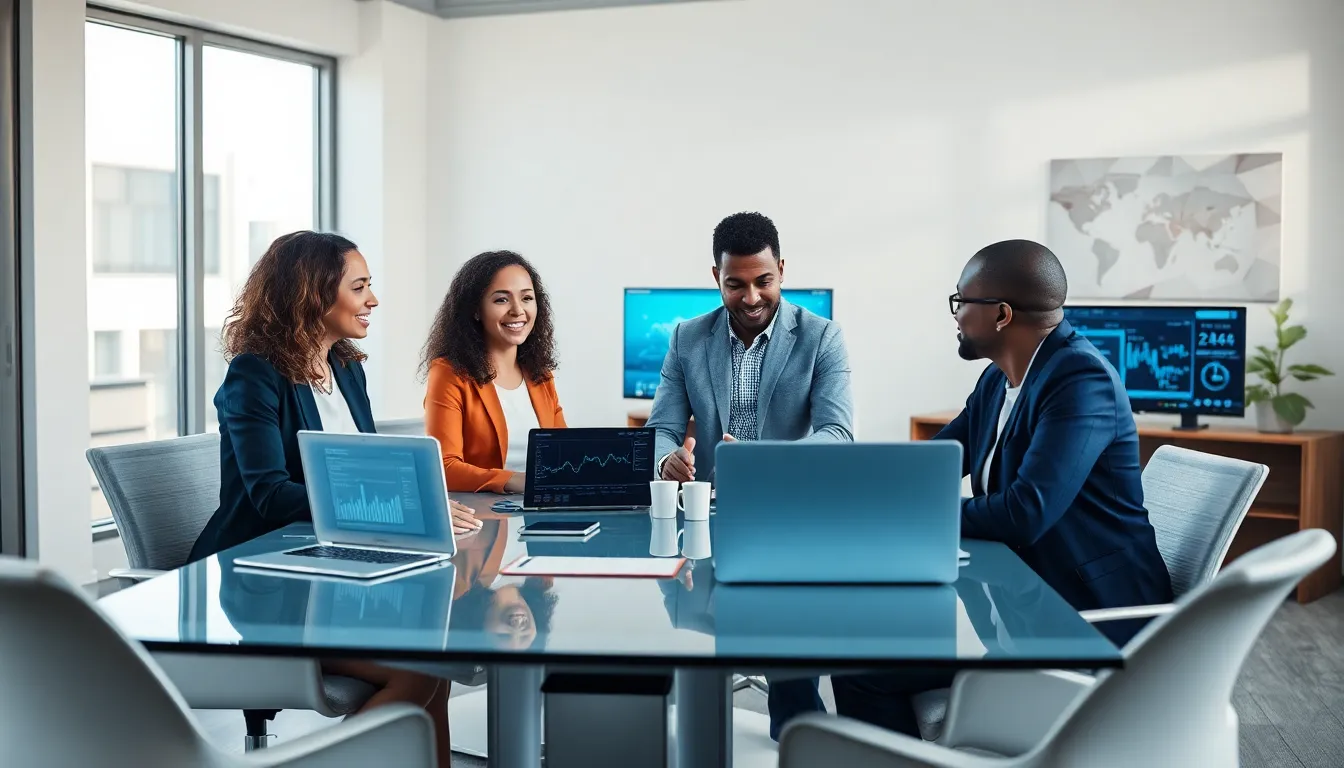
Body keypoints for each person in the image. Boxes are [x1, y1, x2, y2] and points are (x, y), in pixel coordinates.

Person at [830, 238, 1173, 738]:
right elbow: (937, 464)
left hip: (1087, 623)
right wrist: (839, 481)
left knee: (862, 668)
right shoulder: (998, 381)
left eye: (960, 302)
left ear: (1002, 315)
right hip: (1026, 599)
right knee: (864, 643)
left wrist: (913, 516)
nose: (955, 316)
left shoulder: (1080, 379)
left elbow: (1024, 513)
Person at [188, 230, 473, 767]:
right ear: (313, 294)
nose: (373, 300)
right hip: (266, 585)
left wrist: (417, 507)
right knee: (420, 671)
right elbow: (270, 496)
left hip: (331, 574)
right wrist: (396, 507)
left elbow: (357, 472)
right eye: (360, 286)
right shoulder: (255, 374)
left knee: (435, 659)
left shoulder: (347, 367)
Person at [645, 211, 854, 739]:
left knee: (789, 650)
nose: (752, 296)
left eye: (764, 281)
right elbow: (660, 429)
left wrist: (762, 463)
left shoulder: (821, 337)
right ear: (715, 277)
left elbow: (837, 434)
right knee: (679, 631)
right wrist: (667, 459)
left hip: (786, 517)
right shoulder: (687, 338)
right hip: (703, 519)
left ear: (782, 269)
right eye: (735, 284)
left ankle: (799, 730)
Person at [423, 250, 566, 493]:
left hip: (545, 511)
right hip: (486, 518)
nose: (518, 310)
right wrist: (517, 481)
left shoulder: (540, 375)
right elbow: (444, 467)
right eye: (502, 300)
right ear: (476, 310)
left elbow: (566, 455)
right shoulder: (449, 374)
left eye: (527, 298)